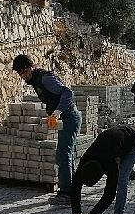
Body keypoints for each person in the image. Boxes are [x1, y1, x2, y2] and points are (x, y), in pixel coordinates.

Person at [12, 54, 82, 205]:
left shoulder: (44, 78)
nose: (23, 77)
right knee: (65, 155)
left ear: (31, 67)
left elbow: (67, 92)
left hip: (69, 117)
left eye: (24, 72)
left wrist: (56, 113)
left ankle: (66, 193)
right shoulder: (36, 80)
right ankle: (71, 190)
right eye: (20, 74)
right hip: (65, 118)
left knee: (63, 154)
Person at [70, 125, 135, 214]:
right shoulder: (85, 160)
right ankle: (129, 171)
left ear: (102, 175)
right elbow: (75, 186)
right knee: (123, 169)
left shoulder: (111, 166)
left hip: (134, 142)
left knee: (121, 181)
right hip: (117, 142)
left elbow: (109, 195)